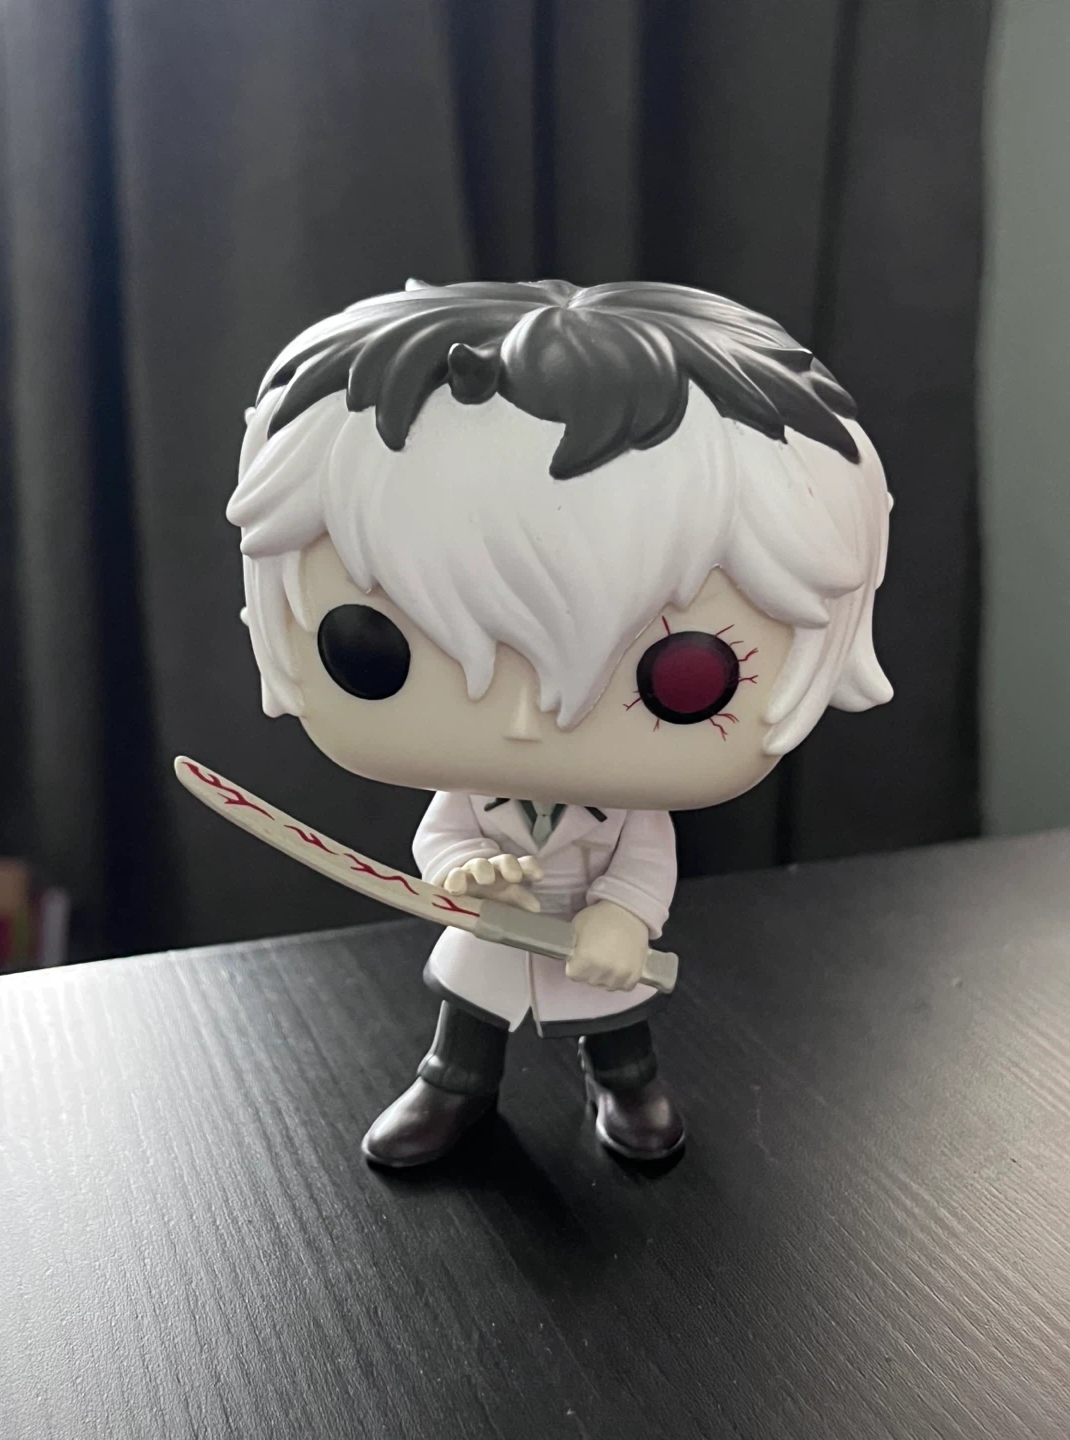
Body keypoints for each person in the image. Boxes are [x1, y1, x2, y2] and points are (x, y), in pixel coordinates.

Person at [227, 279, 892, 1167]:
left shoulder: (624, 812)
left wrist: (623, 919)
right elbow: (443, 836)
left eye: (685, 679)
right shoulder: (474, 794)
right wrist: (467, 875)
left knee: (614, 1023)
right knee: (470, 1017)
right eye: (371, 650)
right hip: (495, 932)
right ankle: (451, 1087)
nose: (525, 720)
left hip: (590, 938)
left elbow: (645, 863)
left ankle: (627, 1085)